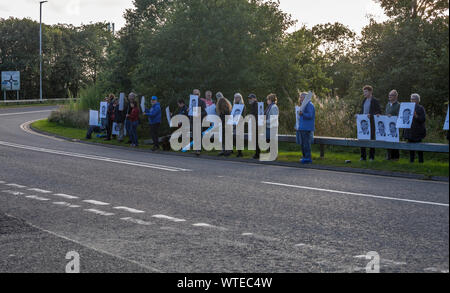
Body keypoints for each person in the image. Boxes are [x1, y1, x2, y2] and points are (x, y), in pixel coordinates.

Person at [359, 85, 381, 161]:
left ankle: (371, 157)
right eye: (363, 92)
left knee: (371, 140)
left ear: (370, 92)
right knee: (362, 139)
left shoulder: (375, 101)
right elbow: (362, 111)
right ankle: (363, 157)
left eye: (366, 92)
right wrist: (358, 115)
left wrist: (371, 115)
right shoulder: (364, 100)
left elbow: (378, 112)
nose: (364, 93)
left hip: (371, 123)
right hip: (363, 123)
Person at [403, 93, 427, 163]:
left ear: (417, 100)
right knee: (411, 148)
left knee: (419, 148)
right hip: (409, 131)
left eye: (413, 99)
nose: (411, 100)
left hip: (418, 132)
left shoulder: (420, 108)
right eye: (411, 99)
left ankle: (421, 161)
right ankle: (411, 161)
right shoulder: (407, 107)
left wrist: (416, 116)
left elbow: (423, 119)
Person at [296, 92, 315, 164]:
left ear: (305, 98)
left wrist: (302, 113)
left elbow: (310, 115)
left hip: (307, 128)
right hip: (302, 127)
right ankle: (304, 157)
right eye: (300, 97)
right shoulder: (304, 105)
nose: (300, 99)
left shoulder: (309, 105)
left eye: (301, 97)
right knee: (303, 144)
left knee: (306, 144)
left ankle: (308, 158)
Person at [385, 89, 401, 160]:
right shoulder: (388, 104)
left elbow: (399, 115)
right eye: (389, 95)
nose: (389, 96)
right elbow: (386, 114)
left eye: (391, 95)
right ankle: (389, 156)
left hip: (395, 126)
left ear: (396, 96)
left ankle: (395, 157)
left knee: (395, 140)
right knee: (388, 140)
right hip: (388, 126)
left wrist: (392, 116)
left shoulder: (398, 105)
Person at [248, 93, 260, 159]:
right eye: (249, 98)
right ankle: (257, 153)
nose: (249, 99)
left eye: (251, 98)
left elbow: (256, 115)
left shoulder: (256, 105)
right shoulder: (253, 105)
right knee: (255, 140)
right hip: (254, 124)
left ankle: (257, 154)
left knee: (256, 140)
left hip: (256, 124)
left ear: (255, 98)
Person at [233, 93, 245, 158]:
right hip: (234, 124)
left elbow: (243, 115)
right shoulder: (234, 105)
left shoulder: (242, 105)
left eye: (237, 97)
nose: (236, 99)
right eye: (235, 97)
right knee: (236, 138)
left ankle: (240, 152)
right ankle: (238, 151)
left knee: (239, 138)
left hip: (240, 123)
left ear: (240, 98)